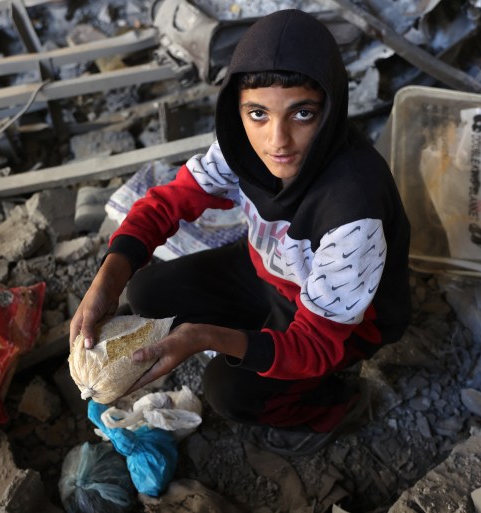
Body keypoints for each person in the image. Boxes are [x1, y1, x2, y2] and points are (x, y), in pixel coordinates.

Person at [70, 9, 411, 456]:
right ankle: (258, 336)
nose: (278, 142)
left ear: (330, 109)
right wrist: (105, 281)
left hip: (339, 325)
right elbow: (167, 203)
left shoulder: (353, 208)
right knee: (146, 289)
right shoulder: (243, 147)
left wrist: (207, 338)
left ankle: (335, 405)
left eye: (302, 113)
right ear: (239, 110)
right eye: (258, 114)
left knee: (229, 392)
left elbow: (315, 345)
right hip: (269, 272)